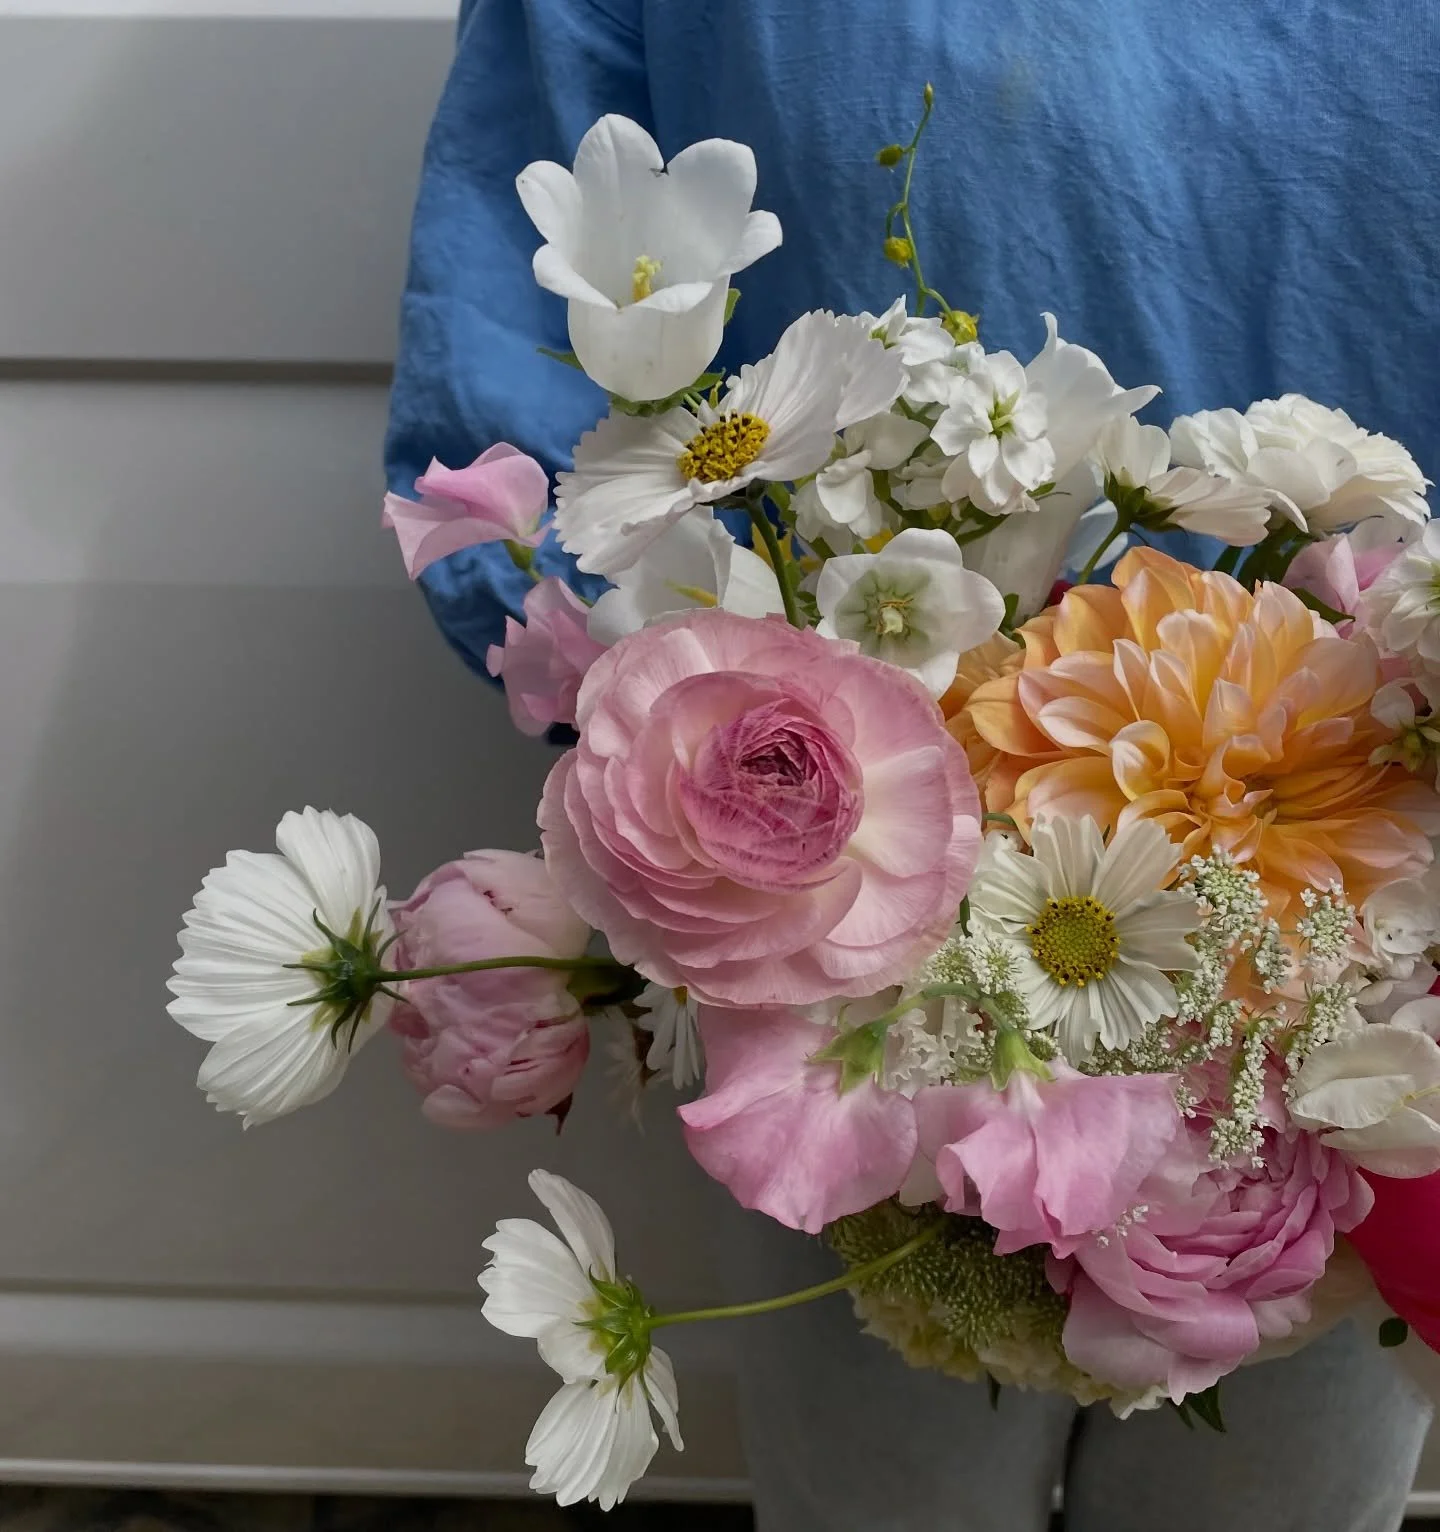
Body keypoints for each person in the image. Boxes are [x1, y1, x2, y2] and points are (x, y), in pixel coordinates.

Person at [385, 2, 1439, 1526]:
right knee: (891, 1495)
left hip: (1364, 917)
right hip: (830, 896)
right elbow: (517, 309)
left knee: (1276, 1487)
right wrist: (669, 755)